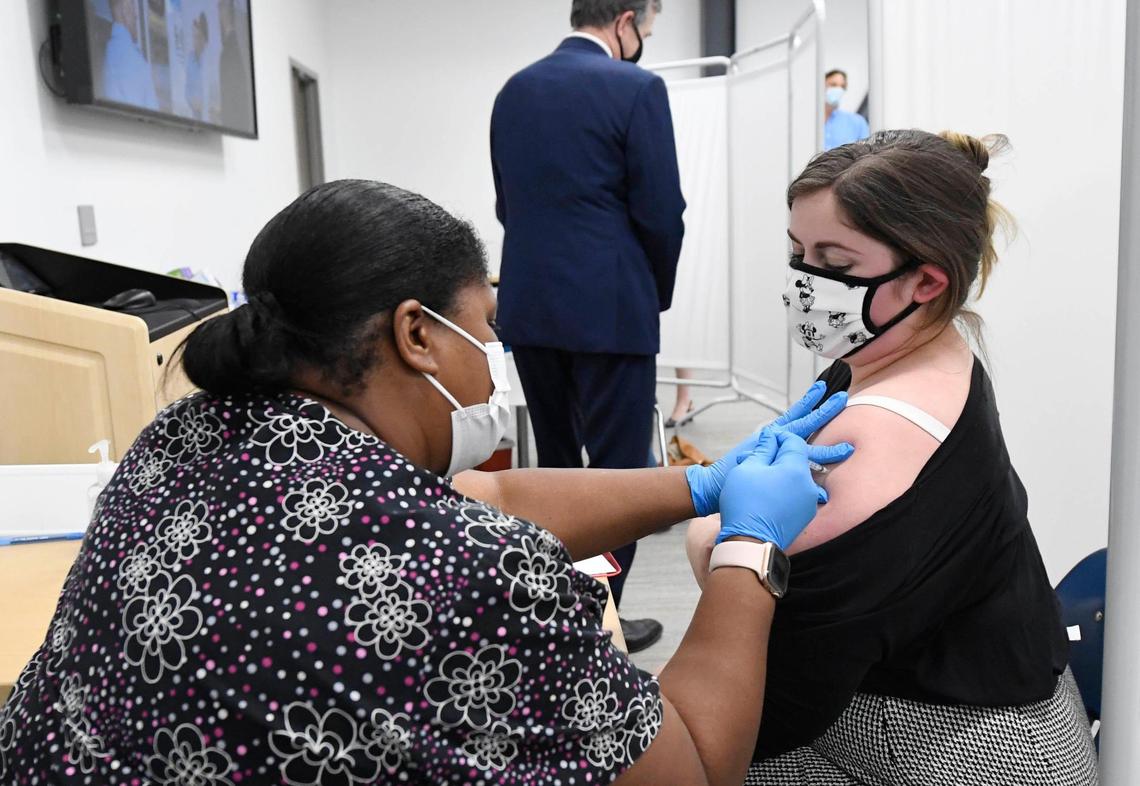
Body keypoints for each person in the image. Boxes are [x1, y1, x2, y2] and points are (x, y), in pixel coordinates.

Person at [0, 180, 855, 786]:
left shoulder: (183, 440)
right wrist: (751, 549)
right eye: (488, 328)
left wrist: (702, 487)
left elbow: (489, 502)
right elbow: (695, 769)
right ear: (416, 333)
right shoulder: (478, 577)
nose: (496, 361)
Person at [687, 130, 1099, 785]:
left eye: (834, 262)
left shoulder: (874, 434)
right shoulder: (923, 349)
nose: (804, 281)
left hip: (966, 752)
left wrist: (709, 531)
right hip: (998, 702)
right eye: (797, 252)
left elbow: (757, 686)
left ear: (926, 281)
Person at [490, 0, 686, 651]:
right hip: (612, 309)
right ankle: (596, 623)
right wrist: (651, 294)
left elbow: (506, 205)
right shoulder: (636, 88)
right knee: (619, 478)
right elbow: (661, 213)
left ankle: (554, 612)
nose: (644, 41)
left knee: (554, 468)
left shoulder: (514, 89)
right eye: (646, 30)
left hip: (529, 304)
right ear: (626, 20)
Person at [102, 0, 160, 111]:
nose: (136, 14)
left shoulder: (116, 50)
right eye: (133, 4)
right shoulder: (127, 55)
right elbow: (139, 117)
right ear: (125, 8)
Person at [217, 0, 253, 131]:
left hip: (236, 120)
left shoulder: (232, 47)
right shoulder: (232, 45)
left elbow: (233, 91)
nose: (218, 11)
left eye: (221, 6)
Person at [822, 69, 869, 151]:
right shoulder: (808, 121)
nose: (838, 90)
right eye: (833, 85)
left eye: (842, 86)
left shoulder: (857, 122)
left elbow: (866, 152)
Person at [185, 13, 208, 120]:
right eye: (194, 37)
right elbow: (187, 88)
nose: (197, 41)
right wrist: (193, 101)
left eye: (199, 37)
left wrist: (202, 103)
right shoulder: (190, 60)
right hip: (195, 113)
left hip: (207, 112)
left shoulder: (209, 59)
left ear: (204, 39)